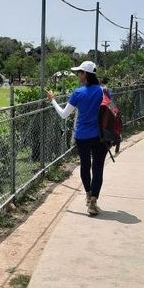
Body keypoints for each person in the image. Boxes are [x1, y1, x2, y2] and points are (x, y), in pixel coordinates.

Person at [46, 61, 106, 216]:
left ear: (85, 74)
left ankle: (88, 194)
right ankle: (93, 201)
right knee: (98, 168)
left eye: (79, 72)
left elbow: (64, 114)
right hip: (100, 136)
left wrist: (52, 99)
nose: (77, 75)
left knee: (85, 166)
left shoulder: (78, 93)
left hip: (83, 136)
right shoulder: (103, 91)